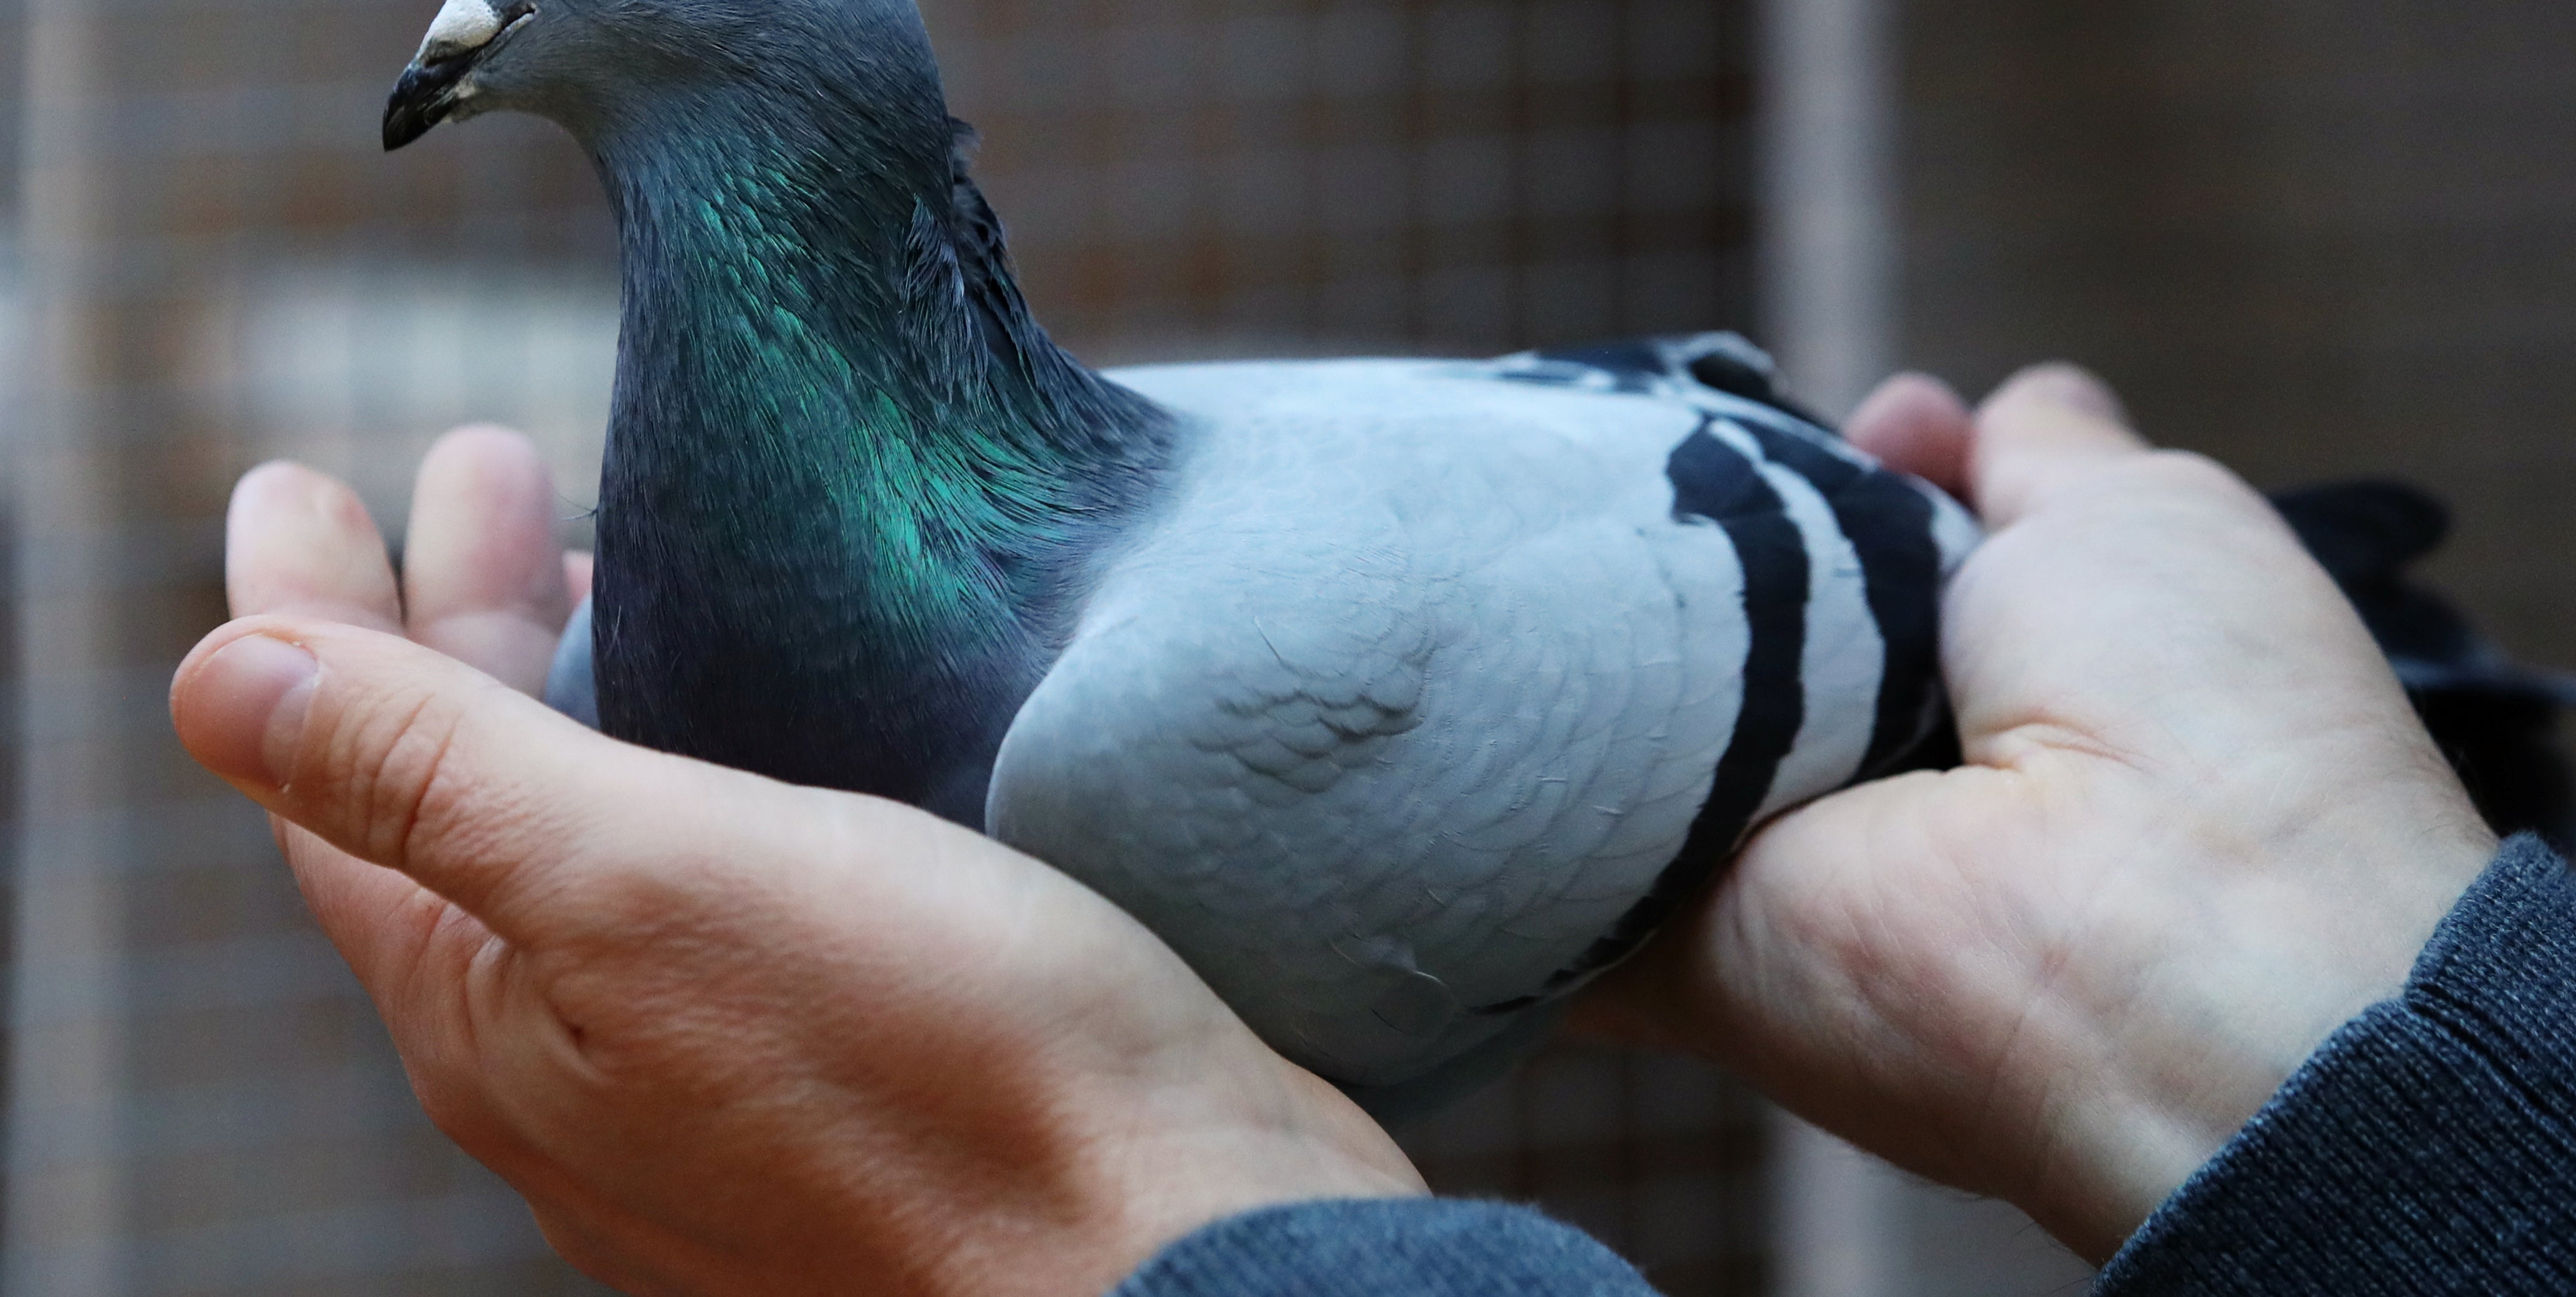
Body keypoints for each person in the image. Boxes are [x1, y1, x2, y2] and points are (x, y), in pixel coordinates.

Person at [167, 365, 2576, 1296]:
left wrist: (1114, 1231)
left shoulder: (1159, 728)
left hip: (1714, 574)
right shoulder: (701, 613)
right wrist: (2306, 971)